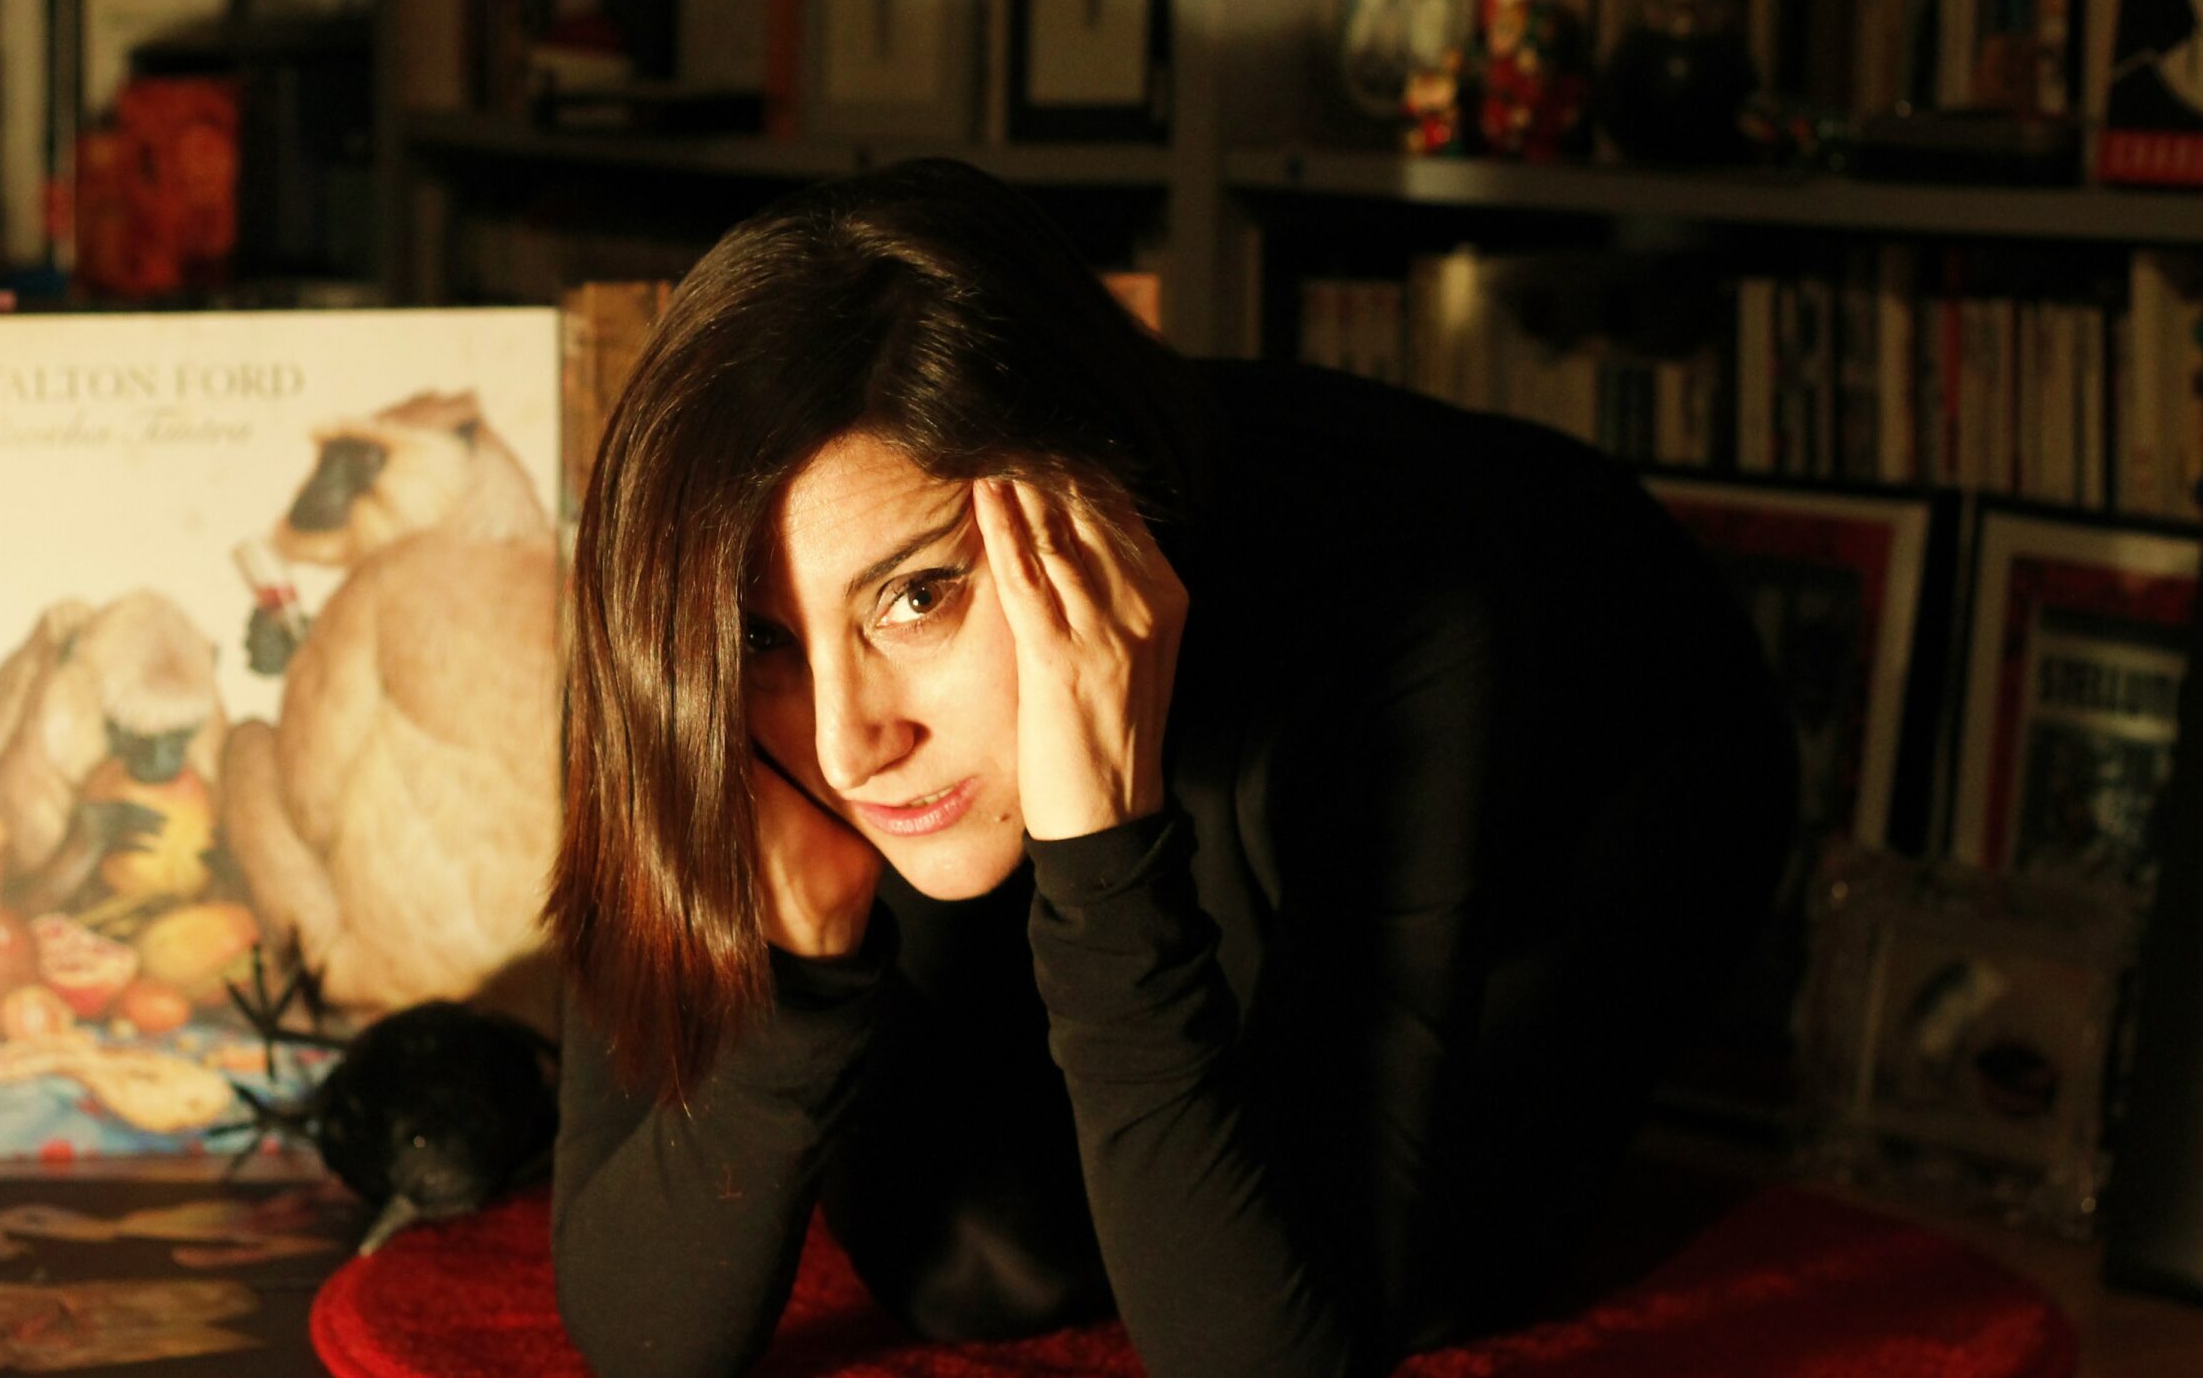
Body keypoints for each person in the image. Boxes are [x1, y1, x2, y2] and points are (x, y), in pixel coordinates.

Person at [543, 159, 1795, 1378]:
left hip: (1604, 762)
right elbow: (637, 1333)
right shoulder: (702, 668)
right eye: (765, 637)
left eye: (918, 596)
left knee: (1413, 1276)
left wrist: (1103, 856)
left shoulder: (1403, 610)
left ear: (1084, 507)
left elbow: (1282, 1352)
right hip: (1070, 759)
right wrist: (800, 970)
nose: (845, 744)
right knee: (968, 1263)